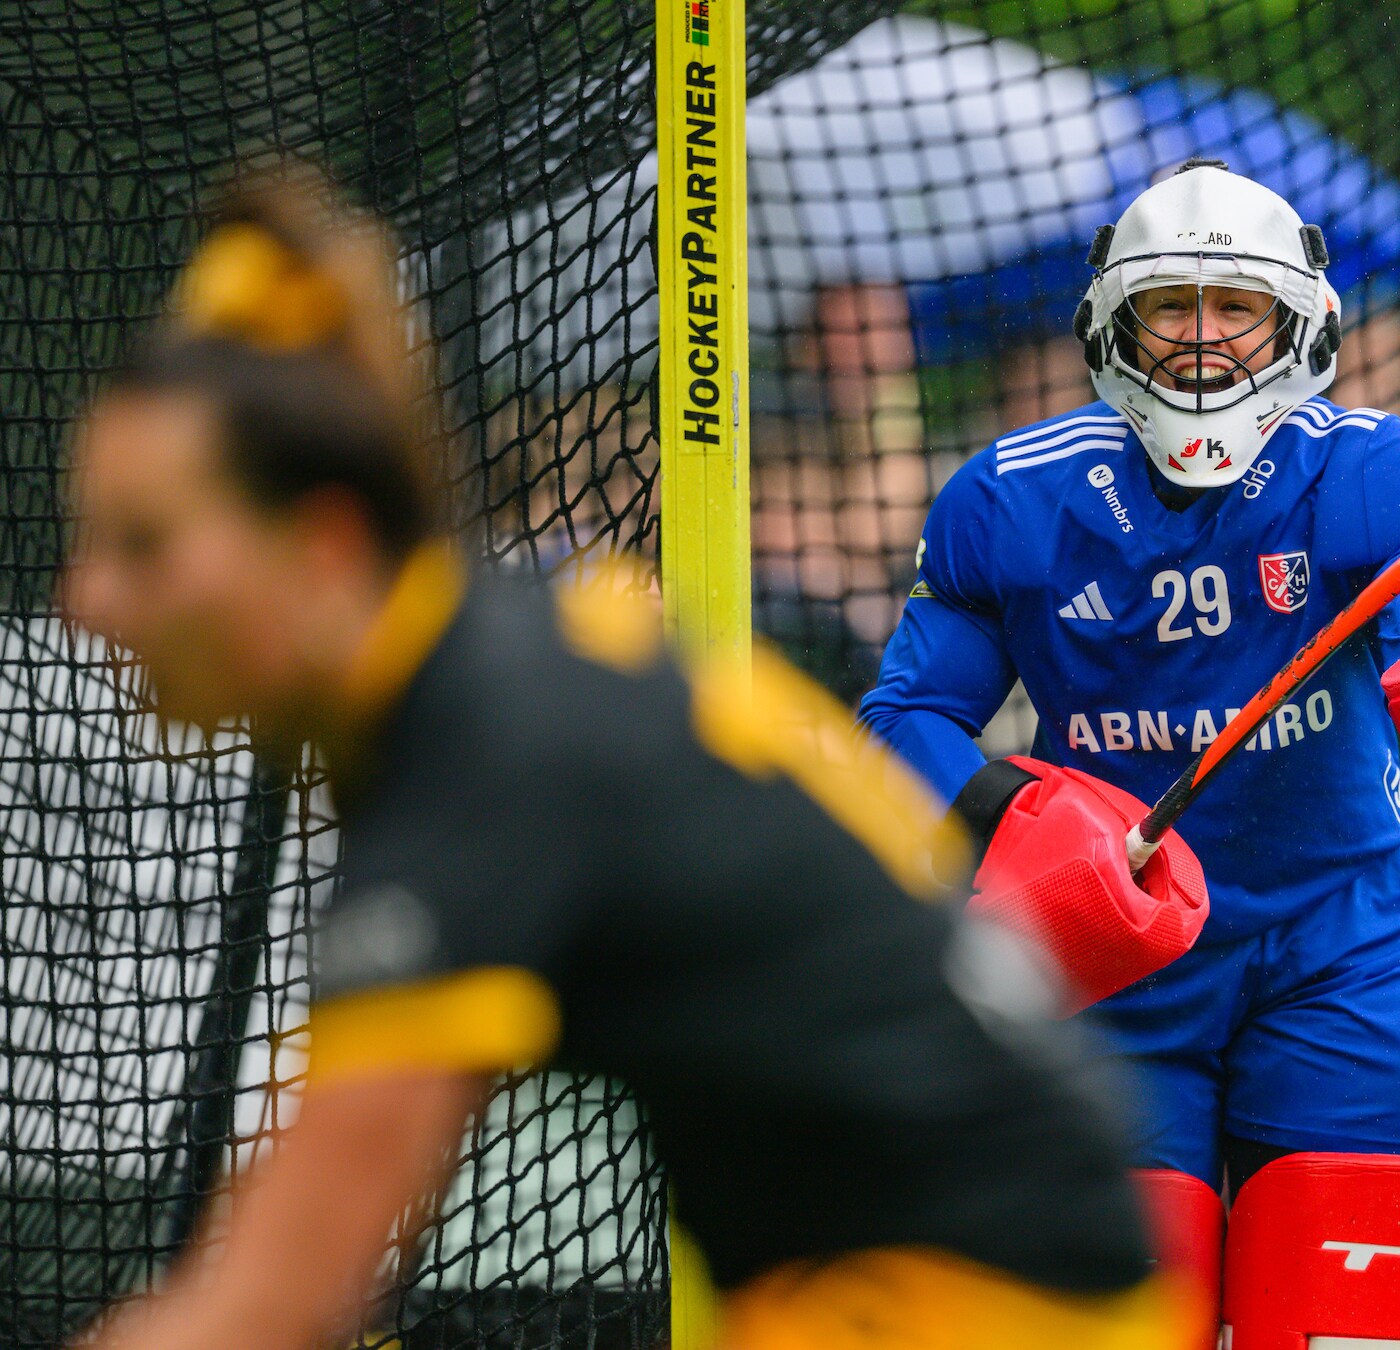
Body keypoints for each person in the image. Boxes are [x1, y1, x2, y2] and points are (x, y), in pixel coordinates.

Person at [64, 166, 1185, 1350]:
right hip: (939, 1258)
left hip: (967, 1290)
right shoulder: (480, 679)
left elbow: (280, 1291)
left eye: (145, 544)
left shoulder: (486, 740)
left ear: (326, 548)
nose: (85, 598)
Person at [859, 159, 1400, 1300]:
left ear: (1296, 324)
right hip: (1115, 954)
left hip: (1344, 942)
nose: (1204, 340)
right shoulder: (1007, 500)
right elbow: (906, 720)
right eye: (1172, 307)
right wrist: (1013, 816)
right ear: (1116, 327)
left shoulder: (1376, 475)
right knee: (1120, 1308)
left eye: (1237, 308)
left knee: (1362, 1313)